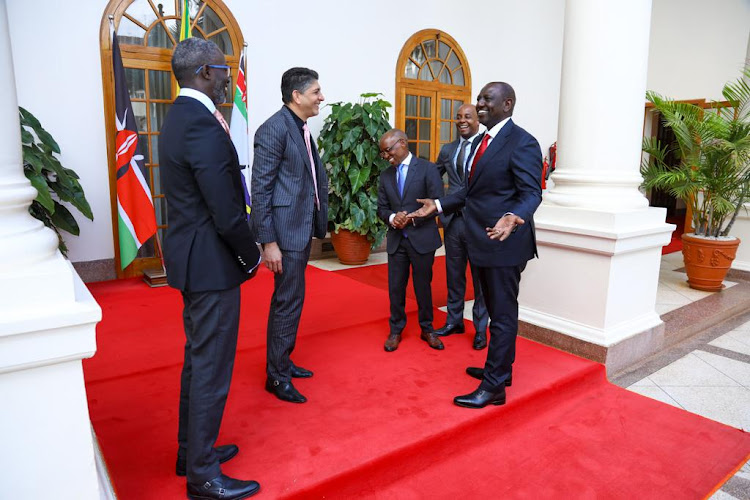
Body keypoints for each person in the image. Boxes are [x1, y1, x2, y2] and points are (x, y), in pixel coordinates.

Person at [160, 38, 261, 500]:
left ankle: (191, 451)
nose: (228, 77)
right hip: (211, 263)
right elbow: (225, 210)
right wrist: (250, 254)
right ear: (204, 72)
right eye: (224, 70)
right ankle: (202, 475)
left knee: (197, 361)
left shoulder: (180, 116)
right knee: (211, 367)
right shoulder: (201, 123)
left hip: (193, 258)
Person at [408, 82, 543, 409]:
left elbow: (532, 193)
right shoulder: (483, 141)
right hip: (480, 239)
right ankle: (502, 370)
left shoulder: (522, 142)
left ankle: (494, 386)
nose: (479, 104)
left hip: (504, 243)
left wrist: (513, 216)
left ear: (507, 104)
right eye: (479, 99)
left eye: (487, 99)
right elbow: (469, 193)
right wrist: (437, 206)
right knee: (497, 310)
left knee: (502, 313)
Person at [252, 67, 328, 404]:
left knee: (292, 301)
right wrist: (269, 243)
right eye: (316, 92)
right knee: (286, 302)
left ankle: (282, 361)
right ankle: (276, 377)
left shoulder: (299, 128)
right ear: (296, 96)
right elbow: (261, 190)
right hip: (284, 235)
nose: (321, 98)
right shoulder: (274, 129)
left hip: (299, 229)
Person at [377, 129, 445, 352]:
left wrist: (413, 218)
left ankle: (427, 328)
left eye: (388, 151)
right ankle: (396, 329)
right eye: (383, 154)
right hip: (397, 241)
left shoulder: (428, 169)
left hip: (422, 238)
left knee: (422, 286)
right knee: (396, 288)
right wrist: (391, 218)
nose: (387, 157)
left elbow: (437, 205)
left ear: (403, 144)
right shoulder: (386, 175)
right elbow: (382, 209)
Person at [433, 104, 489, 349]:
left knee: (480, 279)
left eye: (468, 116)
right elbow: (434, 177)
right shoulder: (448, 149)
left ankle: (480, 329)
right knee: (454, 275)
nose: (462, 121)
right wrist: (437, 205)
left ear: (478, 120)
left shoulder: (486, 147)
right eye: (458, 117)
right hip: (453, 221)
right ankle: (454, 321)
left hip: (478, 221)